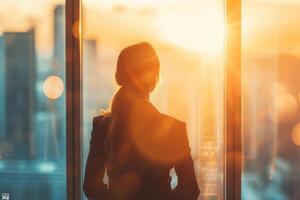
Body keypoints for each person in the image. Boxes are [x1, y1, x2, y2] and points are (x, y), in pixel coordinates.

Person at [83, 42, 200, 200]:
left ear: (119, 76)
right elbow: (190, 189)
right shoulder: (173, 128)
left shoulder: (101, 126)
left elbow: (90, 186)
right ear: (155, 79)